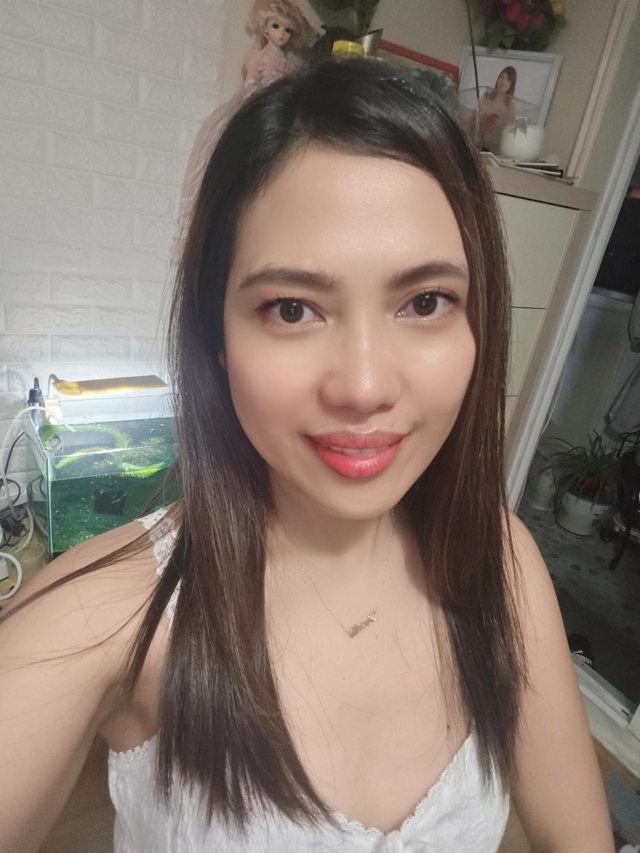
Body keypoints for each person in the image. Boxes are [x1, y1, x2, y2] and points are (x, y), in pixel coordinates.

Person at [0, 57, 615, 853]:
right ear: (218, 339)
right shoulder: (105, 616)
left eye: (426, 301)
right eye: (292, 308)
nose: (363, 386)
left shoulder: (501, 563)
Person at [176, 0, 317, 246]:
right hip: (258, 103)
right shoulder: (259, 56)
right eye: (276, 26)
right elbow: (252, 80)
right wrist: (252, 98)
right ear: (265, 28)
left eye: (287, 30)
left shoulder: (287, 62)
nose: (281, 34)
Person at [479, 65, 517, 152]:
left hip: (494, 149)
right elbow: (476, 118)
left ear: (511, 85)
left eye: (508, 80)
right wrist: (486, 119)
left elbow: (508, 133)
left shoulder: (510, 106)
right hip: (478, 141)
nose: (503, 82)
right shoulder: (486, 96)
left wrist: (497, 122)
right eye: (502, 77)